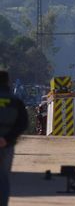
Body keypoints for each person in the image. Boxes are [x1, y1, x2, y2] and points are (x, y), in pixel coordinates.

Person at [0, 71, 28, 206]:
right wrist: (7, 138)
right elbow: (23, 123)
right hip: (6, 145)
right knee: (3, 178)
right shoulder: (15, 101)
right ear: (7, 82)